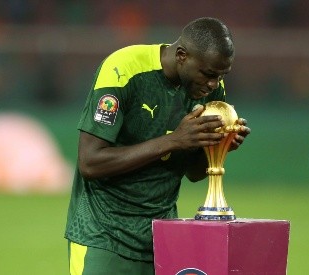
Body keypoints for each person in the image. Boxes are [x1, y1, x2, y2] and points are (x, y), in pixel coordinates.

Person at [65, 17, 251, 275]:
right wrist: (174, 140)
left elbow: (194, 173)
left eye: (221, 75)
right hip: (102, 236)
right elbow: (90, 162)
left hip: (162, 236)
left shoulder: (212, 90)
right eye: (209, 74)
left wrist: (219, 149)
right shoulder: (124, 70)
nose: (214, 83)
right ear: (182, 56)